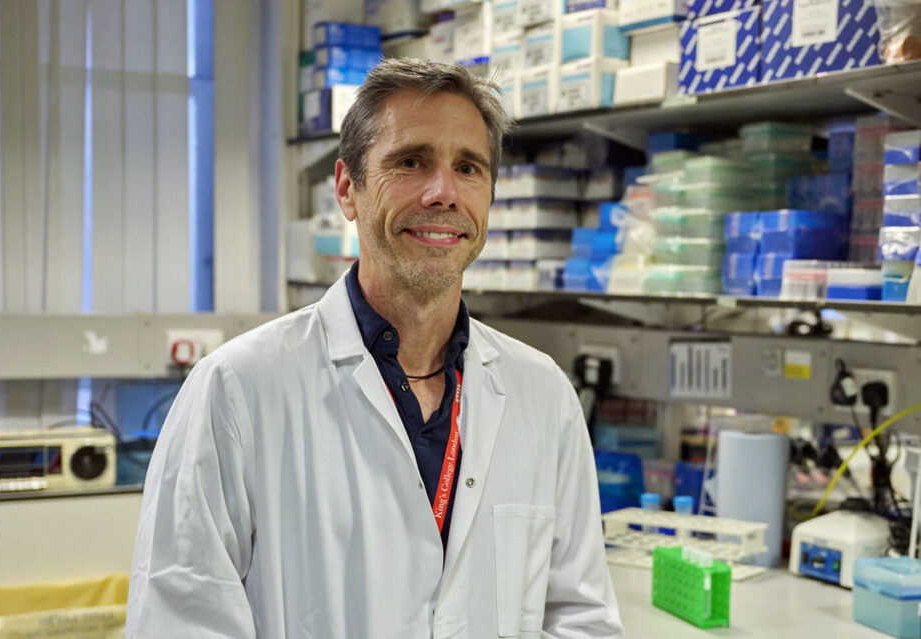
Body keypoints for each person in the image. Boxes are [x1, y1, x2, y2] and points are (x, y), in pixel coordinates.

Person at [127, 58, 624, 638]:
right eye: (410, 162)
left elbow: (580, 617)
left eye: (468, 168)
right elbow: (181, 621)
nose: (444, 194)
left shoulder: (543, 394)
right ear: (347, 188)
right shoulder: (236, 391)